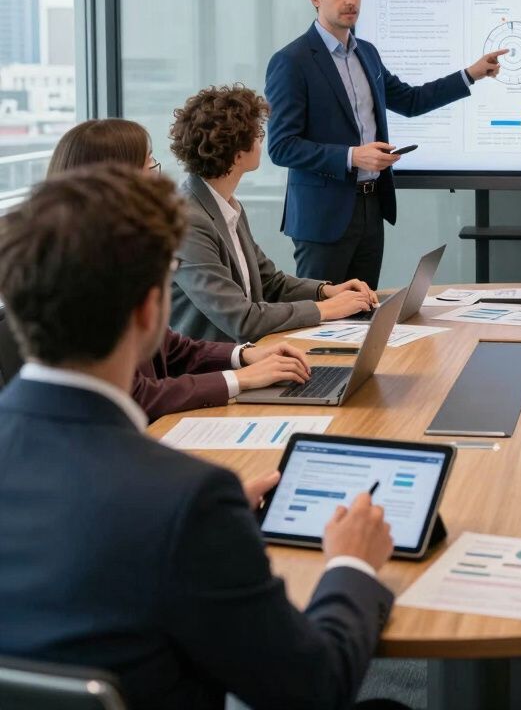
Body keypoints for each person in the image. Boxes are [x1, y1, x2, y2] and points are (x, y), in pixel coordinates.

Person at [0, 164, 399, 710]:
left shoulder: (185, 503)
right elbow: (315, 687)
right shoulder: (186, 500)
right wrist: (351, 563)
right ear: (149, 310)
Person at [265, 0, 508, 288]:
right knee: (319, 324)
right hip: (323, 218)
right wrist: (352, 156)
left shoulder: (367, 52)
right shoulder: (292, 61)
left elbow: (410, 100)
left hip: (370, 207)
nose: (350, 1)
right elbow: (281, 147)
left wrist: (471, 74)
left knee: (363, 311)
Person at [46, 118, 315, 420]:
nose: (160, 184)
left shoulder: (114, 254)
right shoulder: (83, 278)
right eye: (150, 168)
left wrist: (244, 356)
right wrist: (239, 379)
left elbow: (169, 348)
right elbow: (135, 394)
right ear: (116, 183)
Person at [169, 84, 377, 343]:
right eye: (257, 134)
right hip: (211, 369)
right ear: (236, 155)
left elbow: (271, 283)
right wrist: (325, 310)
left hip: (249, 355)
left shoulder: (226, 205)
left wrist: (325, 291)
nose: (262, 139)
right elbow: (242, 319)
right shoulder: (188, 221)